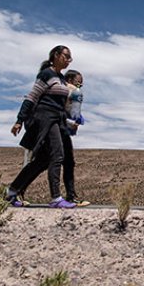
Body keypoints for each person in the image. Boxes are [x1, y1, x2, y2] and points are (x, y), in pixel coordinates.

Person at [5, 45, 76, 208]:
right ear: (56, 55)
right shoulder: (46, 74)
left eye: (70, 58)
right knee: (57, 154)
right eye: (66, 56)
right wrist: (19, 120)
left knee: (43, 160)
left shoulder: (61, 78)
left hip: (58, 120)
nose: (68, 60)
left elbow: (63, 104)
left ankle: (11, 191)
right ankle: (56, 198)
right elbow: (31, 97)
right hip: (45, 118)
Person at [63, 70, 89, 207]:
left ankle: (70, 196)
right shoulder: (69, 90)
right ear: (70, 79)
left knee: (68, 162)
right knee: (42, 163)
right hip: (58, 128)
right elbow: (60, 111)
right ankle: (16, 189)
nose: (80, 84)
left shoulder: (67, 90)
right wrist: (73, 122)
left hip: (62, 128)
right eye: (78, 81)